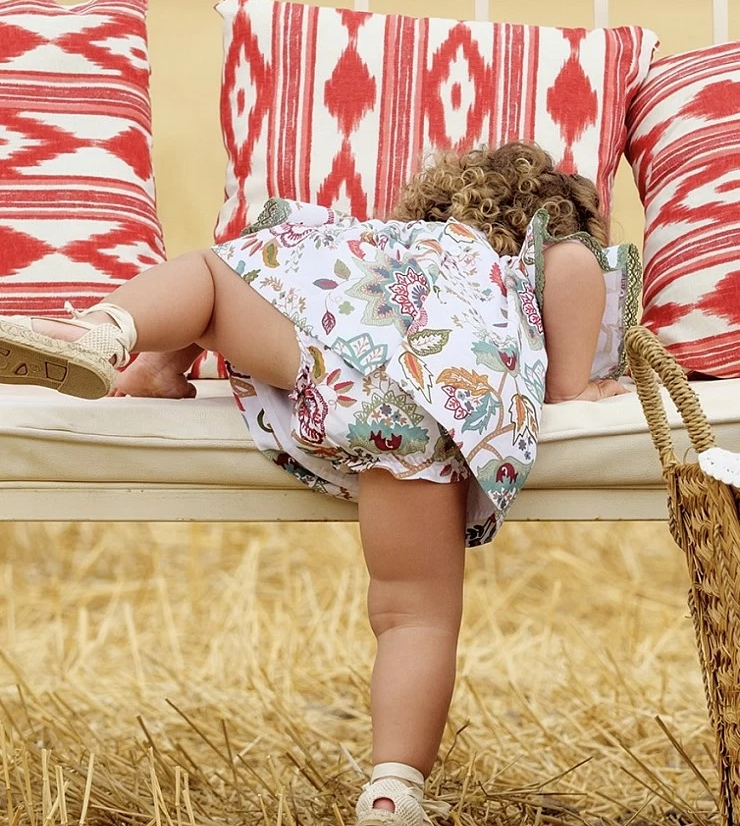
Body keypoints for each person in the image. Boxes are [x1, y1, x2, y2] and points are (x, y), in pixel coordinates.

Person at [0, 142, 636, 826]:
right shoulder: (550, 250)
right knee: (413, 614)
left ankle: (110, 330)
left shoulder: (382, 244)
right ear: (552, 211)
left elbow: (265, 272)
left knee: (211, 279)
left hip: (328, 353)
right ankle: (393, 790)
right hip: (424, 409)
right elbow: (567, 375)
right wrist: (585, 375)